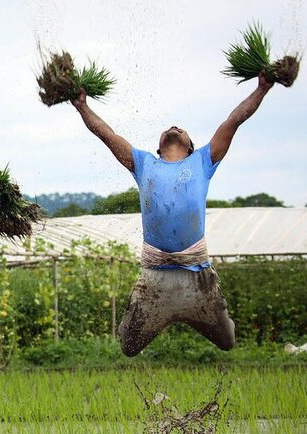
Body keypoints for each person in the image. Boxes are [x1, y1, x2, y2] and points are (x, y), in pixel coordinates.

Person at [69, 73, 275, 356]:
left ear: (190, 147)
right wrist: (82, 106)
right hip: (155, 278)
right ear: (158, 147)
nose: (174, 128)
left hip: (197, 276)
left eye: (181, 129)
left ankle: (199, 315)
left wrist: (261, 89)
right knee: (129, 347)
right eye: (169, 128)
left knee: (227, 342)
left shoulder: (203, 160)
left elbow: (234, 120)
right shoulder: (144, 163)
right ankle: (164, 315)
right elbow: (107, 134)